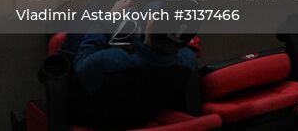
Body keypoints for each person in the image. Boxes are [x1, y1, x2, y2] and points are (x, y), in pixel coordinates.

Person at [60, 14, 198, 128]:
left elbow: (82, 65)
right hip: (146, 109)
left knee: (82, 21)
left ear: (152, 25)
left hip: (98, 115)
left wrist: (107, 19)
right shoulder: (189, 61)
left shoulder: (109, 60)